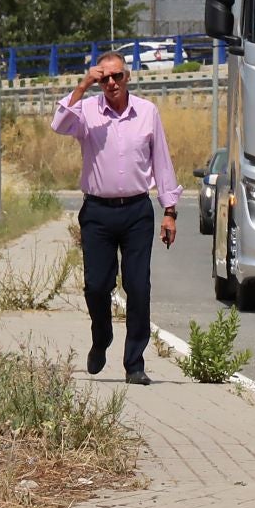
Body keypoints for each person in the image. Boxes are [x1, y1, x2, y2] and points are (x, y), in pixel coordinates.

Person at [51, 50, 179, 385]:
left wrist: (169, 211)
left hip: (137, 211)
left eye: (117, 76)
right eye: (104, 78)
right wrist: (82, 87)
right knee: (96, 285)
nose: (111, 83)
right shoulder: (87, 112)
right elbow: (59, 124)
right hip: (97, 212)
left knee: (138, 287)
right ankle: (101, 336)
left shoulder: (147, 113)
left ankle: (134, 363)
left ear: (127, 77)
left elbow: (162, 162)